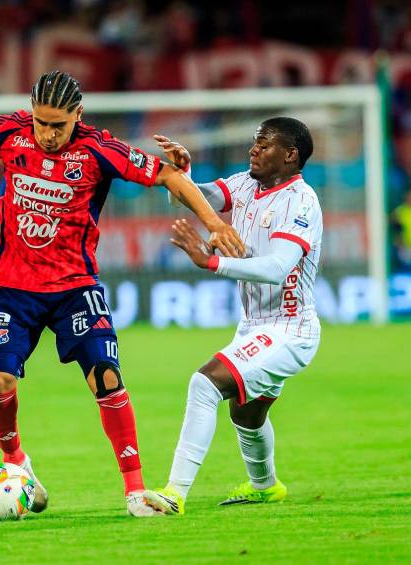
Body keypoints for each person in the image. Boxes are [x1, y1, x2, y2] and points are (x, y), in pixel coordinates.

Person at [0, 70, 244, 517]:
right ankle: (17, 460)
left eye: (58, 124)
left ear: (79, 114)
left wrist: (215, 224)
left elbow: (170, 176)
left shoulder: (99, 149)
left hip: (76, 288)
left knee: (107, 379)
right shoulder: (10, 132)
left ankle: (135, 491)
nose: (48, 133)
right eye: (41, 122)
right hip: (15, 289)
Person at [143, 117, 322, 515]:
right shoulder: (244, 184)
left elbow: (278, 269)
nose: (253, 150)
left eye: (264, 144)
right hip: (255, 325)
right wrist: (183, 172)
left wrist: (211, 263)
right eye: (254, 142)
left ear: (290, 155)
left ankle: (174, 492)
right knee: (246, 412)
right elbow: (187, 197)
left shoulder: (301, 202)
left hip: (291, 329)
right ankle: (266, 487)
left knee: (205, 384)